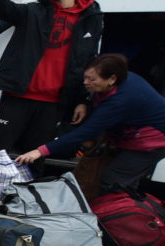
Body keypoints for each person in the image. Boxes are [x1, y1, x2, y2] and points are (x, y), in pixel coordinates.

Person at [0, 0, 103, 171]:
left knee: (35, 159)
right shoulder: (33, 11)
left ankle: (22, 201)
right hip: (17, 97)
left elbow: (88, 62)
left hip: (54, 104)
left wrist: (82, 100)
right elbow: (6, 9)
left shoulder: (91, 20)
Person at [15, 54, 165, 193]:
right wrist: (84, 103)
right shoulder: (119, 80)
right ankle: (124, 210)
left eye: (92, 79)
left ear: (111, 79)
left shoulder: (120, 100)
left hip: (152, 141)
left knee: (113, 179)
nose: (86, 83)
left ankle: (112, 217)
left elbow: (85, 132)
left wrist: (39, 151)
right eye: (85, 77)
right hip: (130, 134)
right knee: (125, 180)